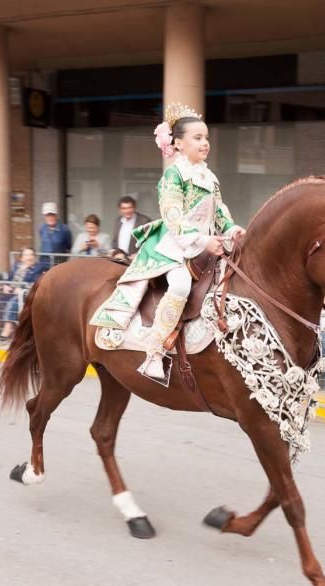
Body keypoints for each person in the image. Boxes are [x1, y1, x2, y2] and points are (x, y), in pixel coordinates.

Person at [91, 102, 245, 380]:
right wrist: (202, 241)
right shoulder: (173, 175)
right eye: (197, 138)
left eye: (206, 137)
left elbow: (219, 211)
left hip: (207, 245)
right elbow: (173, 215)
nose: (205, 143)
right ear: (179, 143)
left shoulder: (209, 177)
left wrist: (232, 229)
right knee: (181, 283)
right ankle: (154, 352)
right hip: (175, 246)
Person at [0, 247, 46, 342]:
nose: (29, 257)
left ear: (35, 257)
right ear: (21, 257)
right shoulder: (16, 266)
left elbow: (36, 282)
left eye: (31, 254)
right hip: (10, 293)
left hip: (24, 295)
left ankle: (6, 332)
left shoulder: (38, 268)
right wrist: (6, 285)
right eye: (26, 255)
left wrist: (22, 289)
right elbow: (8, 279)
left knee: (12, 303)